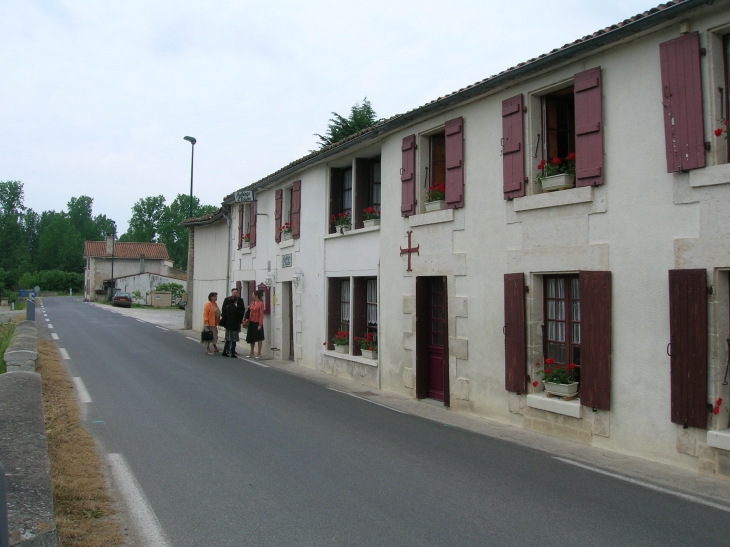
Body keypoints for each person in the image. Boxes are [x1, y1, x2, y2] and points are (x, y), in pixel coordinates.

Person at [220, 288, 244, 358]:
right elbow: (239, 314)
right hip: (234, 325)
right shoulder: (236, 308)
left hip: (228, 324)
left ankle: (225, 351)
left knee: (228, 338)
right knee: (234, 339)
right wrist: (240, 320)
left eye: (236, 292)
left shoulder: (228, 307)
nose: (235, 293)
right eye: (234, 292)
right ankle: (232, 353)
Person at [246, 290, 265, 358]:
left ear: (256, 295)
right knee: (251, 337)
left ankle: (259, 352)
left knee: (259, 338)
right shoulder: (252, 303)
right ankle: (252, 351)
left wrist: (260, 324)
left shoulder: (261, 304)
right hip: (252, 321)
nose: (252, 296)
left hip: (257, 322)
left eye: (253, 295)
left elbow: (261, 315)